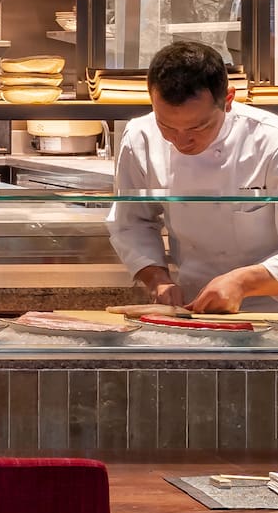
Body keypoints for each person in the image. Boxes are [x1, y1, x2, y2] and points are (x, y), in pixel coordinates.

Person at [107, 40, 278, 313]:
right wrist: (158, 280)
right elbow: (132, 223)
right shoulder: (140, 136)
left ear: (229, 100)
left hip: (270, 309)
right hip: (192, 306)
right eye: (167, 126)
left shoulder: (270, 141)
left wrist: (242, 282)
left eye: (199, 127)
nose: (181, 141)